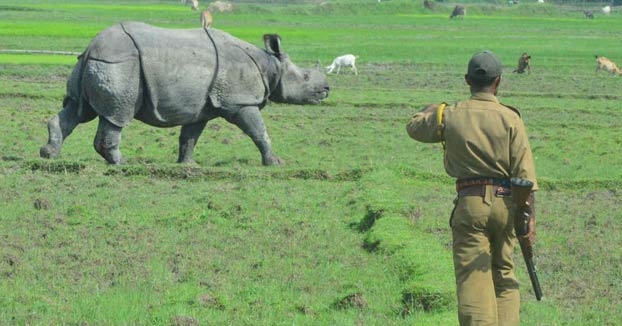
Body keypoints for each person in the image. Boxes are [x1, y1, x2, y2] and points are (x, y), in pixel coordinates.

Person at [406, 50, 538, 326]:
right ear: (499, 82)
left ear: (467, 80)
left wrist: (435, 108)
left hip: (471, 203)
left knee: (473, 280)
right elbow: (525, 175)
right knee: (504, 276)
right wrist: (527, 218)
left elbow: (414, 127)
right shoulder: (511, 118)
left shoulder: (451, 115)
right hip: (507, 205)